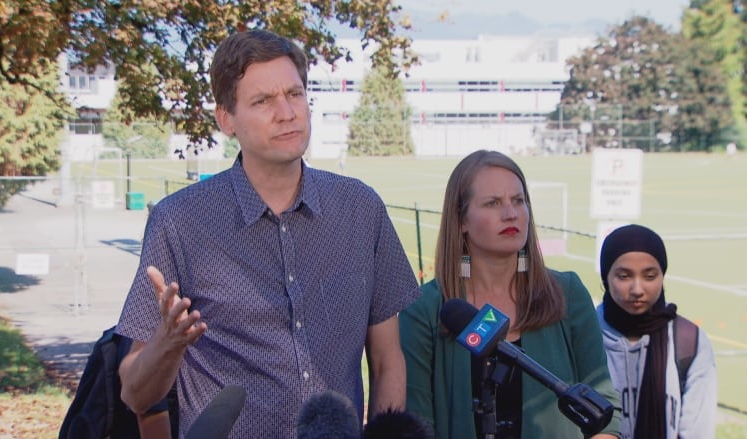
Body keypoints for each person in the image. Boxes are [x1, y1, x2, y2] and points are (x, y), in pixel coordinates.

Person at [115, 29, 420, 438]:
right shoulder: (180, 222)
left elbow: (387, 361)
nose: (287, 112)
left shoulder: (361, 210)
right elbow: (135, 394)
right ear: (227, 119)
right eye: (263, 101)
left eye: (295, 95)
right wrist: (167, 345)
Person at [399, 150, 621, 439]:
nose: (511, 213)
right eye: (493, 203)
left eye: (519, 200)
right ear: (461, 220)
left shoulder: (568, 293)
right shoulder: (425, 309)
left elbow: (603, 407)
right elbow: (415, 421)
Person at [597, 224, 717, 438]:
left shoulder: (689, 342)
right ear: (606, 278)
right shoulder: (583, 336)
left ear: (663, 275)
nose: (637, 289)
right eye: (624, 276)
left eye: (650, 276)